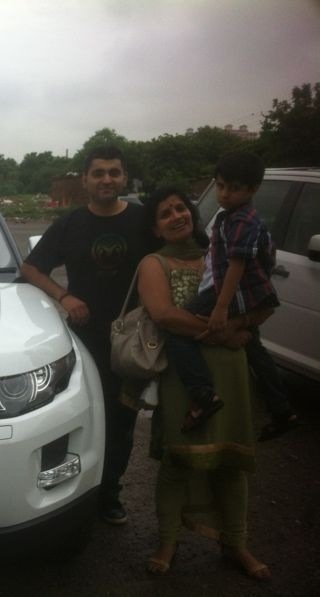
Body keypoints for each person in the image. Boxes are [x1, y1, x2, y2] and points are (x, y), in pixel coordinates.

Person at [138, 188, 271, 581]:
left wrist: (239, 326)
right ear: (156, 228)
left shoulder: (223, 253)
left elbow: (260, 300)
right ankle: (167, 540)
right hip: (185, 379)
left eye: (181, 208)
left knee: (232, 462)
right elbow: (165, 316)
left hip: (232, 371)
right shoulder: (153, 263)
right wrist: (223, 333)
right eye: (166, 213)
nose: (177, 215)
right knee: (178, 460)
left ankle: (236, 543)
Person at [21, 145, 157, 525]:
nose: (106, 180)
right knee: (80, 419)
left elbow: (175, 257)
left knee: (122, 422)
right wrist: (64, 296)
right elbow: (31, 268)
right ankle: (73, 495)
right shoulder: (70, 224)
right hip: (84, 341)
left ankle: (109, 493)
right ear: (85, 180)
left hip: (132, 340)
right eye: (98, 173)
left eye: (114, 172)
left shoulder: (144, 221)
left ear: (124, 177)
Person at [166, 152, 295, 437]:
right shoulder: (234, 217)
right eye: (221, 185)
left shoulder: (241, 221)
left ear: (252, 190)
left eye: (234, 188)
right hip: (240, 293)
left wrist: (222, 308)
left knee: (176, 331)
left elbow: (237, 265)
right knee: (256, 351)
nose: (224, 194)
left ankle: (203, 395)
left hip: (228, 293)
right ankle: (282, 410)